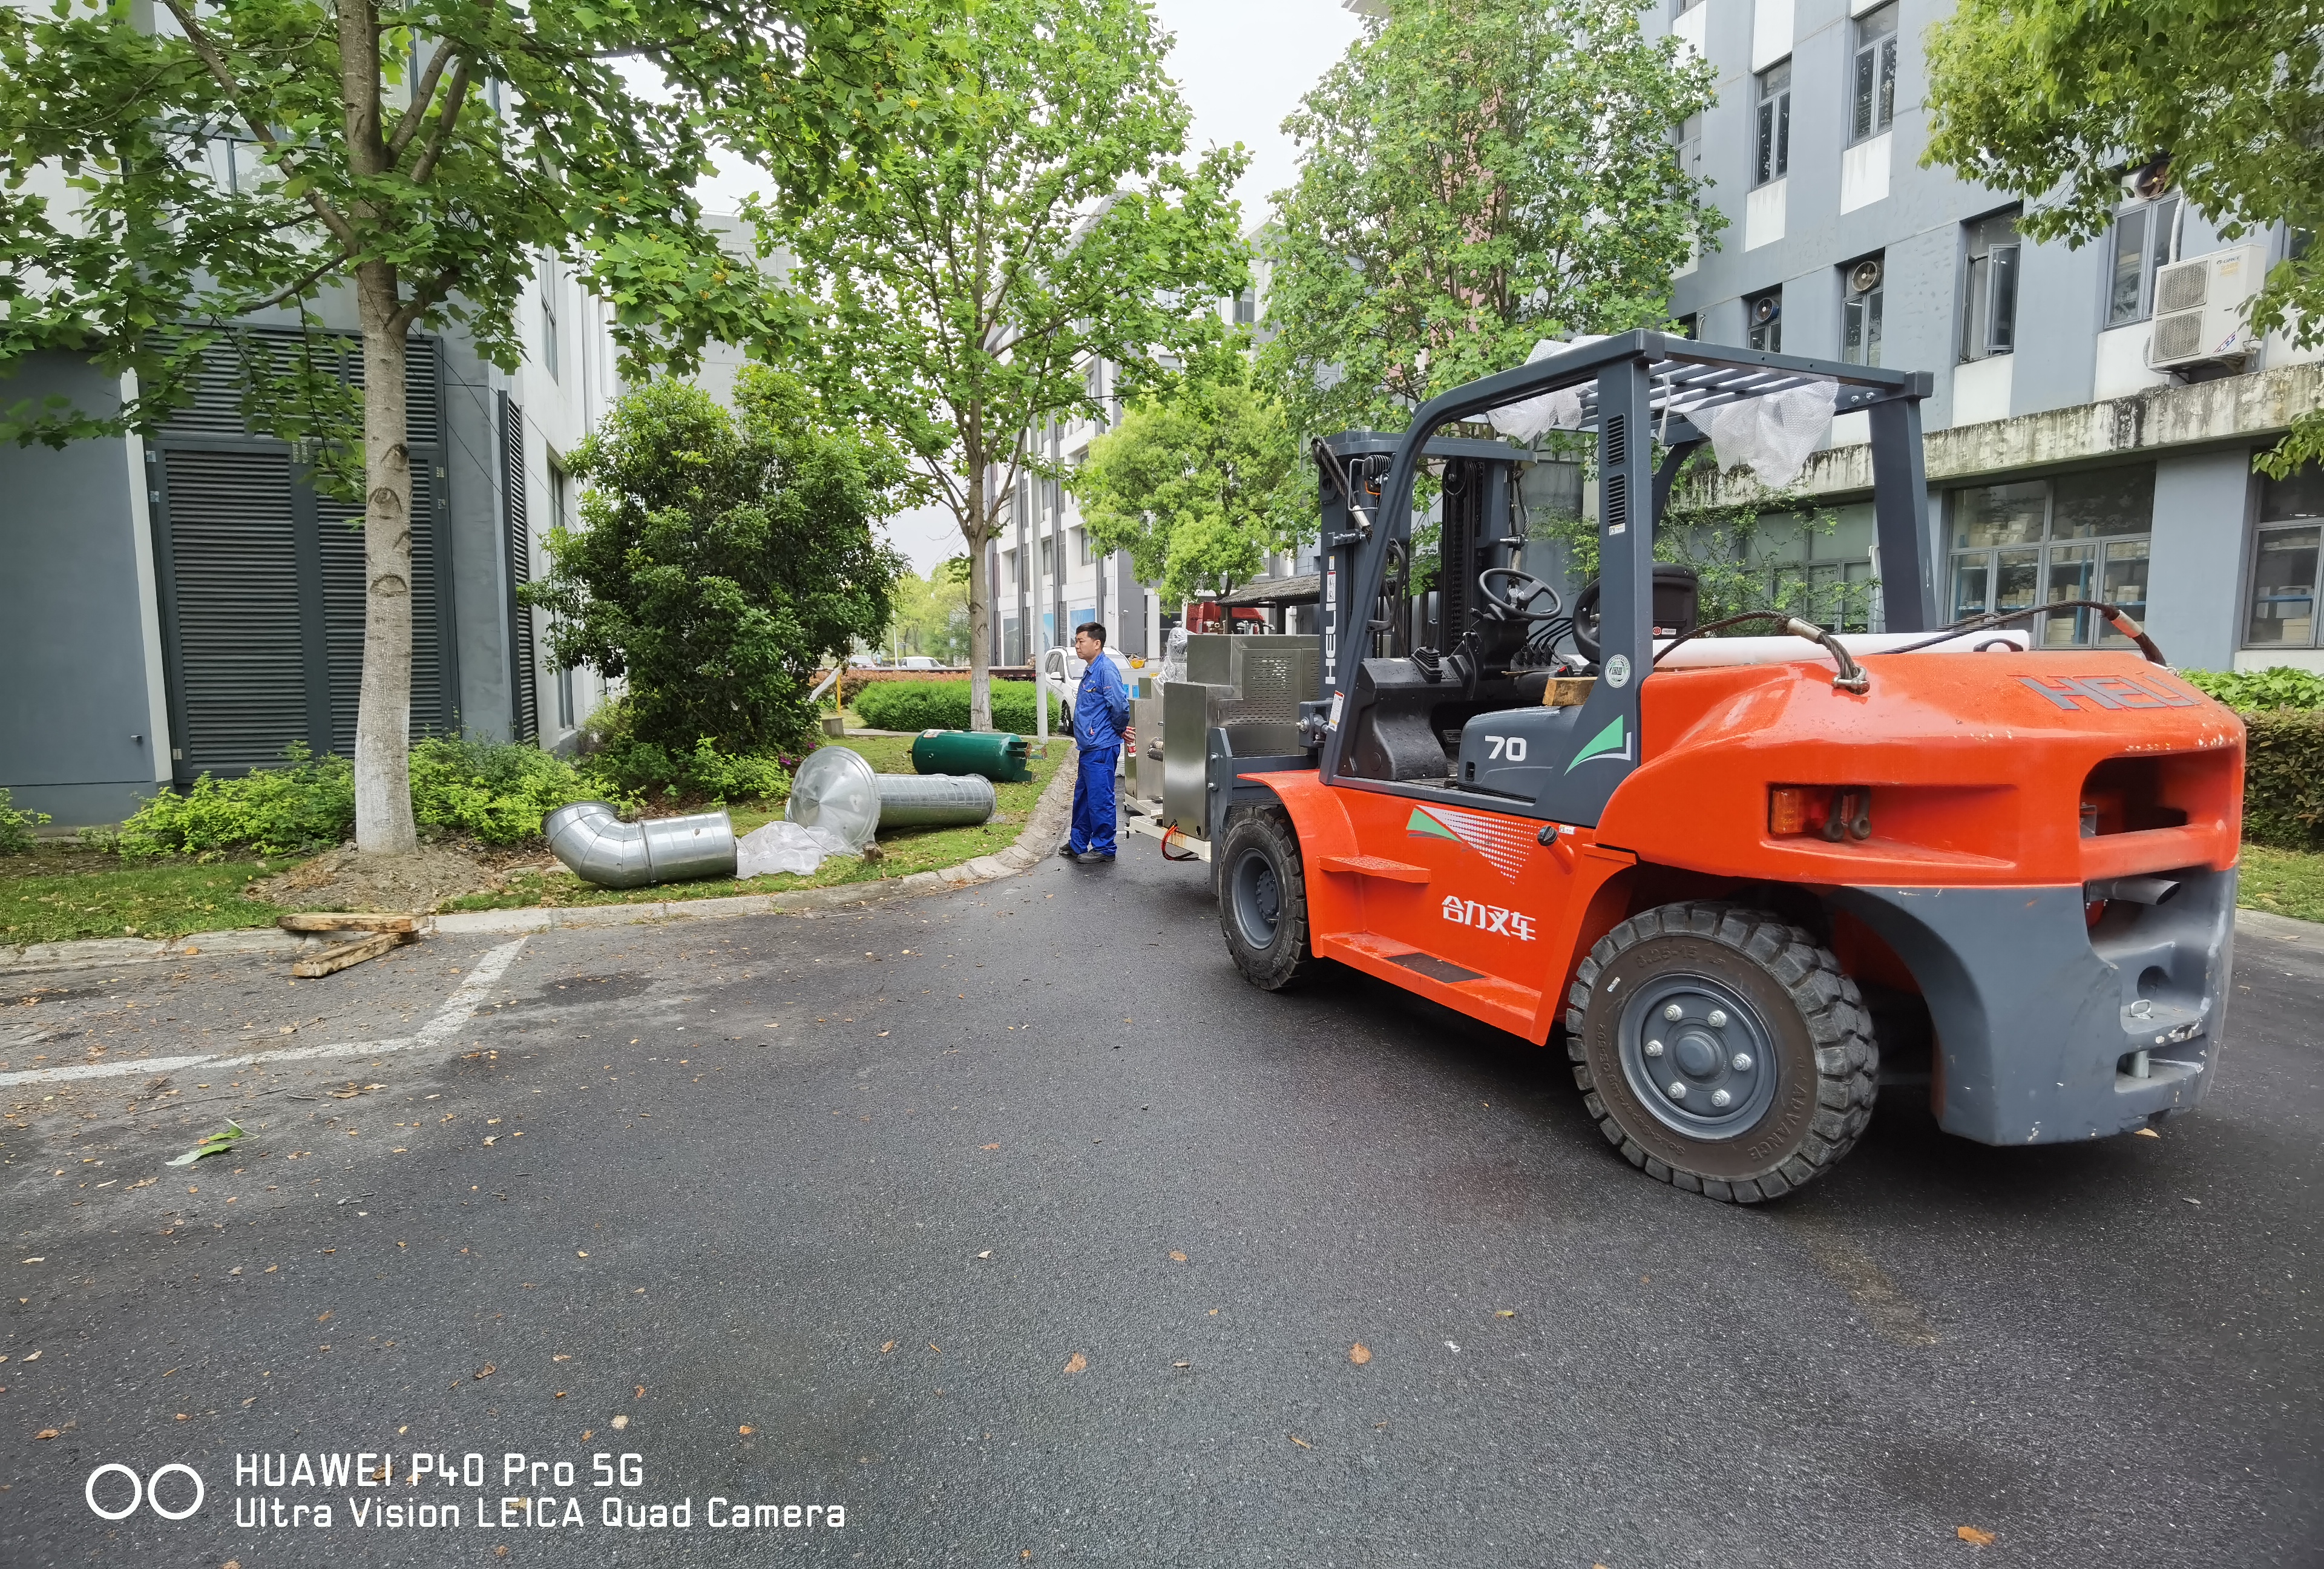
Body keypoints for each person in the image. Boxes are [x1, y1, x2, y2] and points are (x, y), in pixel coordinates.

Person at [1060, 621, 1129, 864]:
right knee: (1084, 798)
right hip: (1090, 747)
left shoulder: (1106, 670)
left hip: (1101, 746)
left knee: (1100, 799)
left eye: (1081, 641)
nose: (1077, 646)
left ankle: (1105, 848)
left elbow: (1120, 707)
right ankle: (1078, 843)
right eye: (1076, 641)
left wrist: (1118, 730)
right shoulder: (1092, 669)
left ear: (1097, 644)